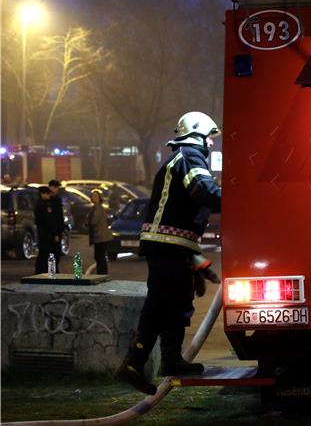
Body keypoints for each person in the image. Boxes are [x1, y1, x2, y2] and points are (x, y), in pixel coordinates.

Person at [116, 112, 222, 395]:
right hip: (166, 245)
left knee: (173, 302)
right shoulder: (189, 155)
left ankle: (168, 360)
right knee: (162, 305)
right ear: (197, 133)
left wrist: (196, 259)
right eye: (210, 136)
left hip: (171, 245)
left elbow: (181, 212)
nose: (212, 144)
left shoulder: (180, 157)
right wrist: (237, 195)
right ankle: (135, 363)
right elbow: (204, 191)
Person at [34, 186, 64, 274]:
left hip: (45, 234)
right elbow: (49, 221)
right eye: (47, 194)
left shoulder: (45, 203)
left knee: (45, 253)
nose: (49, 196)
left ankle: (43, 271)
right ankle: (44, 271)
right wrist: (55, 234)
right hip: (46, 234)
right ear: (42, 194)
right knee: (46, 253)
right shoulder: (42, 205)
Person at [86, 189, 114, 275]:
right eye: (92, 196)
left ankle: (102, 273)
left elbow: (94, 221)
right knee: (99, 256)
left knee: (99, 256)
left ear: (99, 198)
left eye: (95, 196)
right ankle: (102, 273)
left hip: (101, 236)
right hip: (99, 236)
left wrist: (87, 222)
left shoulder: (98, 207)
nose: (93, 198)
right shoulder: (95, 207)